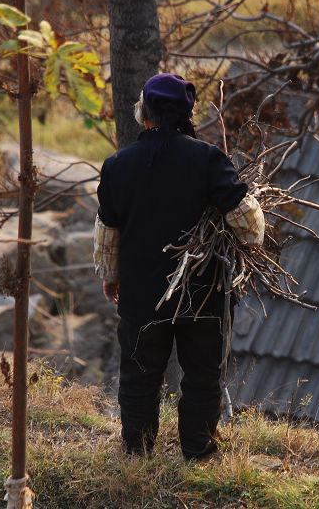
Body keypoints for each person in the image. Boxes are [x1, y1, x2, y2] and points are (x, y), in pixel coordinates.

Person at [93, 73, 264, 459]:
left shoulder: (118, 165)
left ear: (145, 112)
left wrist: (111, 276)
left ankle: (137, 450)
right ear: (185, 114)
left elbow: (108, 226)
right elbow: (247, 223)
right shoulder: (207, 160)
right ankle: (198, 451)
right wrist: (251, 241)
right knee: (203, 375)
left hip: (142, 293)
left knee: (139, 374)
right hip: (202, 293)